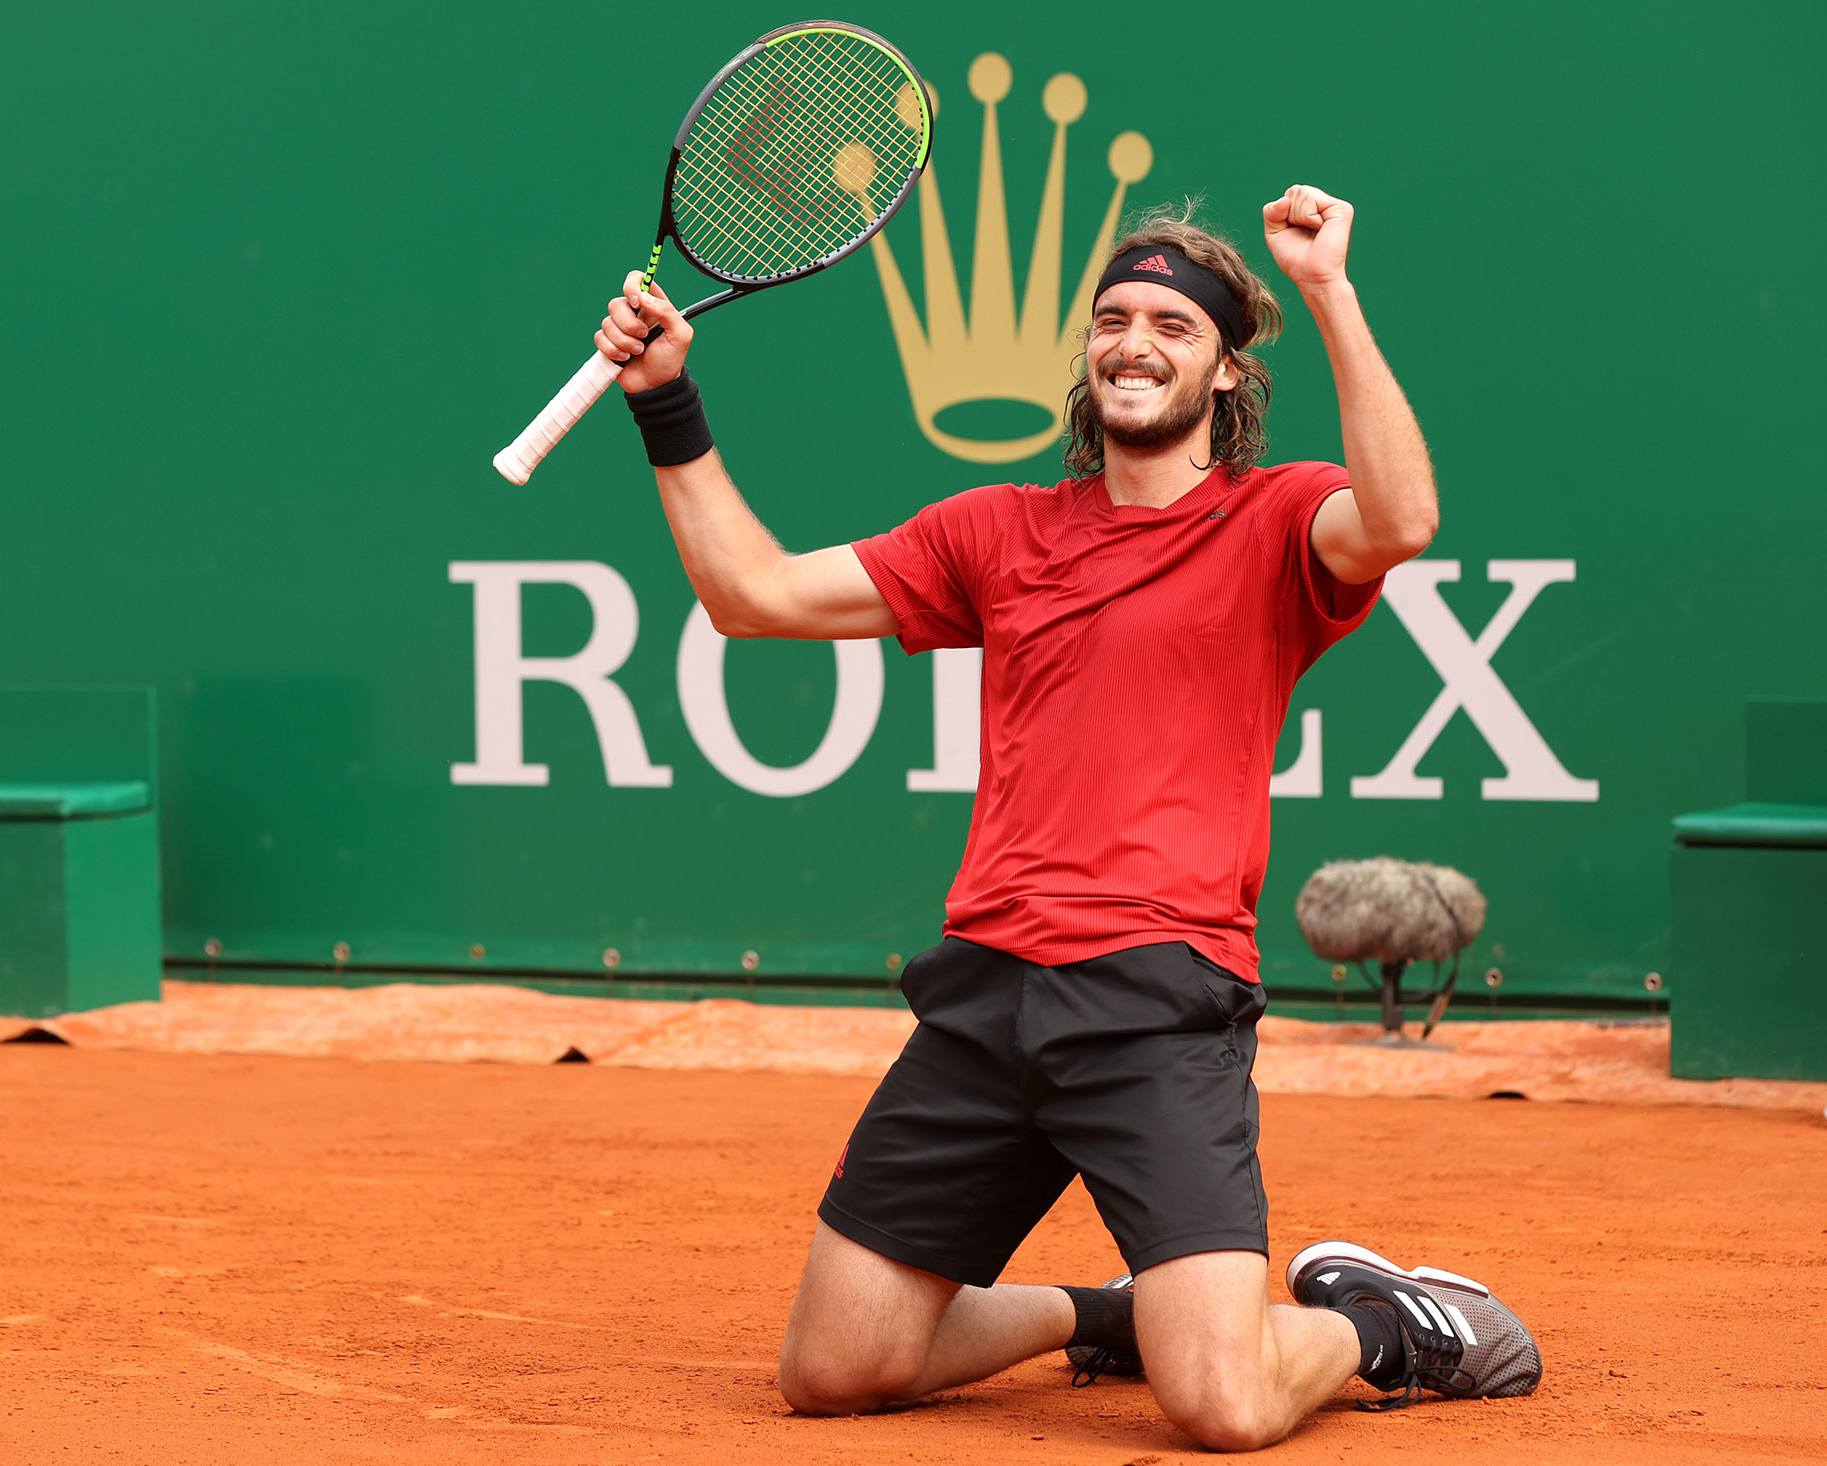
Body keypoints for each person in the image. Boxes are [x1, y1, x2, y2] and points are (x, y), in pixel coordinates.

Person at [592, 184, 1541, 1449]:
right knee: (832, 1369)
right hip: (984, 993)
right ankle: (1105, 1316)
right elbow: (751, 594)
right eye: (1110, 318)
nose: (1132, 339)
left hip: (1156, 994)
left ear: (1223, 369)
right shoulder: (995, 528)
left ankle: (1389, 1323)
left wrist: (1328, 291)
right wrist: (665, 396)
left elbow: (1404, 519)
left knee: (1222, 1404)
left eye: (1170, 322)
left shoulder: (1274, 521)